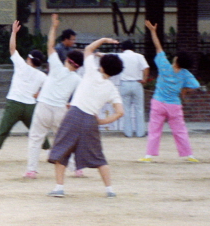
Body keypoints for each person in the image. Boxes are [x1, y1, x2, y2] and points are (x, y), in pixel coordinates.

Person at [46, 37, 124, 198]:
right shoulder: (111, 88)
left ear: (102, 65)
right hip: (91, 120)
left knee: (62, 150)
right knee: (98, 156)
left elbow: (88, 49)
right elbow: (120, 112)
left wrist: (103, 40)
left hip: (74, 114)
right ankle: (109, 189)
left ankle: (59, 187)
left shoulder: (91, 72)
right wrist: (102, 121)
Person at [24, 14, 83, 179]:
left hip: (43, 106)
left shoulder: (57, 67)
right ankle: (76, 169)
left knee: (36, 139)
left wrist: (54, 27)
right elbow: (78, 99)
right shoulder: (78, 79)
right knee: (63, 141)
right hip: (60, 110)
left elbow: (50, 46)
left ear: (68, 60)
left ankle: (31, 170)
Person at [137, 20, 201, 164]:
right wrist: (184, 89)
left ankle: (149, 155)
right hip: (174, 105)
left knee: (154, 130)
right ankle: (188, 154)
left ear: (176, 59)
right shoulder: (185, 74)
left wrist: (153, 31)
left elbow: (158, 47)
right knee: (180, 130)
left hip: (158, 102)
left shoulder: (165, 66)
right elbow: (196, 85)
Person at [0, 20, 47, 164]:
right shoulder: (42, 75)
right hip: (30, 106)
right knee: (37, 131)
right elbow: (48, 88)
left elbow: (13, 49)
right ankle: (50, 152)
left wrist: (14, 32)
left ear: (29, 59)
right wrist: (38, 95)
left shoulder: (21, 65)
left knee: (3, 129)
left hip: (14, 102)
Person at [116, 39, 149, 138]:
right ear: (133, 48)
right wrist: (144, 79)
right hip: (137, 83)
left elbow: (108, 57)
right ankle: (140, 133)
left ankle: (128, 133)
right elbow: (146, 68)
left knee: (126, 109)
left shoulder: (120, 56)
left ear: (122, 49)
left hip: (124, 84)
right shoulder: (139, 56)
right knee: (139, 109)